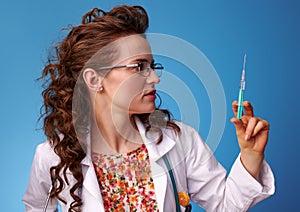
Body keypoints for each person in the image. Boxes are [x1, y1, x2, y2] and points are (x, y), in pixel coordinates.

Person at [22, 5, 275, 212]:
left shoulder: (180, 140)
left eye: (153, 66)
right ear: (94, 80)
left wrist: (251, 156)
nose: (155, 78)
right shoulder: (53, 156)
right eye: (139, 66)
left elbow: (226, 205)